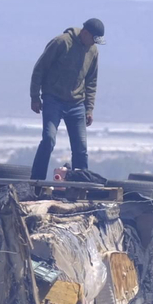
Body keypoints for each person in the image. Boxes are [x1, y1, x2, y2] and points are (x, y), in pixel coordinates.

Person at [29, 17, 103, 181]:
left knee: (81, 148)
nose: (94, 43)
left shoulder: (93, 51)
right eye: (93, 39)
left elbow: (91, 81)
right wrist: (35, 96)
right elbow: (40, 69)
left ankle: (80, 184)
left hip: (77, 104)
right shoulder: (61, 42)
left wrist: (89, 108)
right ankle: (36, 182)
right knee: (48, 139)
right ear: (85, 33)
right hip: (53, 99)